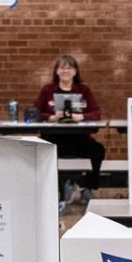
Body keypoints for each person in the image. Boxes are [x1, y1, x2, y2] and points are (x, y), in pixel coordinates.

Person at [33, 54, 104, 206]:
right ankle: (56, 191)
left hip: (79, 138)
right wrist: (51, 117)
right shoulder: (48, 90)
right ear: (56, 71)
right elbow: (35, 113)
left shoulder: (84, 90)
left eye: (69, 68)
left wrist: (82, 117)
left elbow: (96, 113)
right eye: (62, 68)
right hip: (54, 138)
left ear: (75, 72)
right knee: (43, 152)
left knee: (98, 150)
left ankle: (88, 186)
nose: (66, 71)